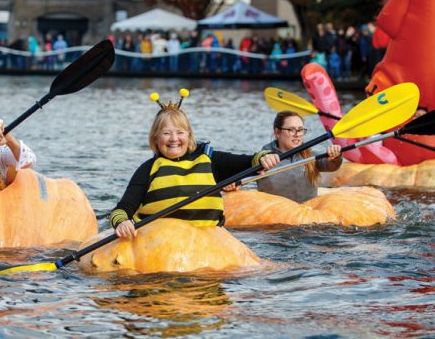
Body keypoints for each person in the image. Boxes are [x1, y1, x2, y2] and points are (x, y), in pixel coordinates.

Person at [109, 95, 276, 238]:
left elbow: (250, 161)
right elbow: (121, 211)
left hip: (210, 241)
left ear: (189, 136)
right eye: (166, 133)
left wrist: (264, 157)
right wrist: (122, 223)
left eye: (180, 132)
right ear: (155, 138)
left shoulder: (209, 160)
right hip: (161, 244)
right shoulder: (148, 169)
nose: (174, 138)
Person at [255, 111, 342, 203]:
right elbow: (244, 175)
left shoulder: (310, 155)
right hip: (276, 213)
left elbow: (331, 166)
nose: (297, 134)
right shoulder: (263, 159)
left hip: (307, 211)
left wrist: (336, 157)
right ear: (277, 132)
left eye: (300, 129)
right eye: (291, 130)